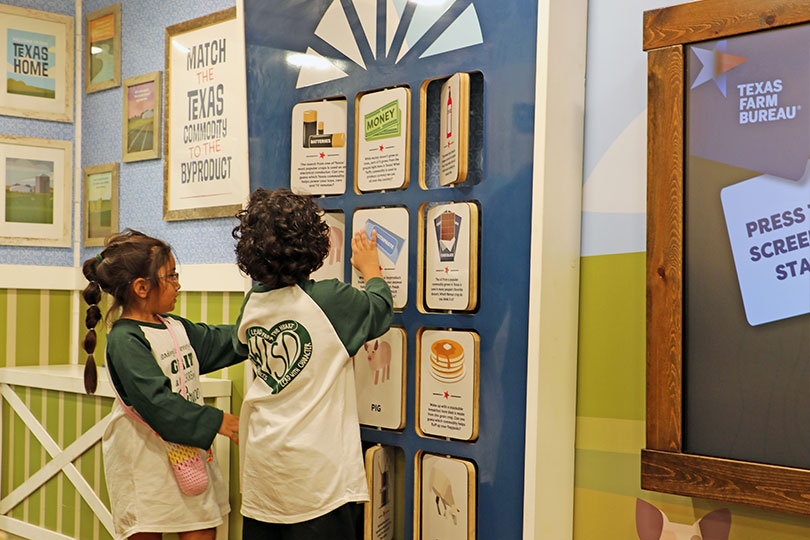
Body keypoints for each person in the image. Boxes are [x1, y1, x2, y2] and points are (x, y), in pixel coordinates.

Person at [232, 188, 393, 539]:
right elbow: (379, 309)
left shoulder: (252, 304)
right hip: (318, 484)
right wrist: (371, 269)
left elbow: (238, 342)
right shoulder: (330, 300)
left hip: (263, 477)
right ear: (313, 245)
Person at [81, 229, 244, 540]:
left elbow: (220, 342)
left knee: (201, 527)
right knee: (147, 528)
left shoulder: (175, 327)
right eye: (170, 276)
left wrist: (256, 331)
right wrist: (218, 421)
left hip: (188, 456)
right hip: (144, 463)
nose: (178, 284)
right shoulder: (125, 339)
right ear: (142, 287)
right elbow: (156, 402)